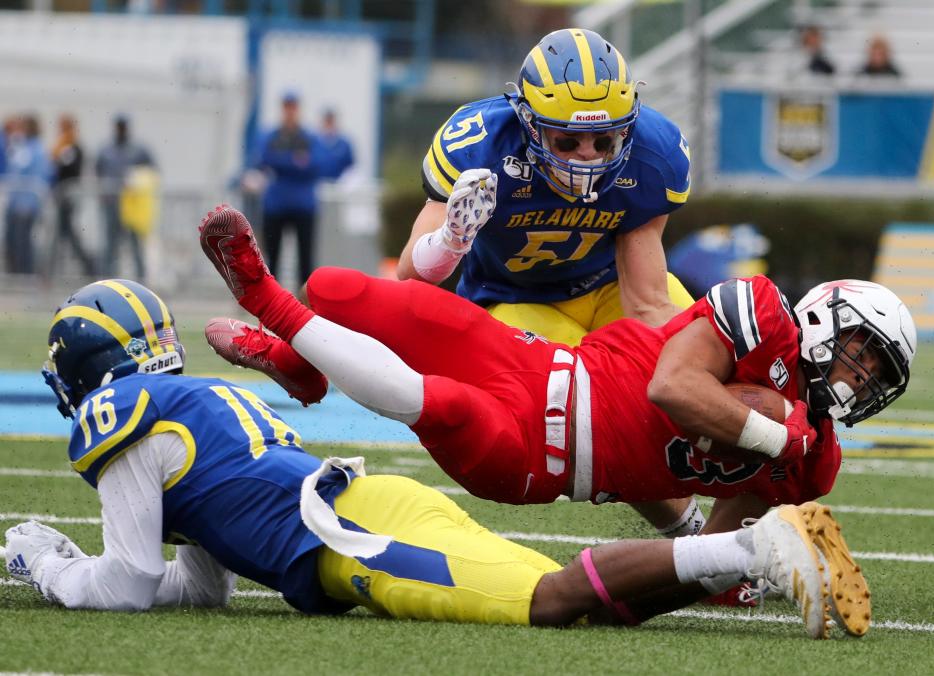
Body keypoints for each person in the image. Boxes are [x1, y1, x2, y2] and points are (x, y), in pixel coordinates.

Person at [3, 278, 869, 639]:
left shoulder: (129, 413)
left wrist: (48, 561)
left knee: (549, 600)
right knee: (597, 611)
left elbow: (119, 589)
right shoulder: (196, 412)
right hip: (361, 515)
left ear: (82, 375)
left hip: (356, 542)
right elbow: (201, 587)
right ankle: (743, 555)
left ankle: (756, 548)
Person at [200, 206, 916, 535]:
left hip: (540, 459)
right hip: (536, 363)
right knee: (336, 288)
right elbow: (672, 389)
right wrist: (773, 436)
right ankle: (303, 369)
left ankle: (267, 301)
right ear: (829, 316)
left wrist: (754, 564)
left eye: (876, 375)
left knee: (435, 404)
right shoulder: (759, 312)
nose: (859, 377)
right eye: (862, 351)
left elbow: (719, 544)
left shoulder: (810, 462)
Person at [397, 28, 695, 342]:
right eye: (567, 140)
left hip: (611, 288)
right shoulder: (481, 146)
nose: (587, 155)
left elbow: (647, 304)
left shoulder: (652, 154)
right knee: (568, 377)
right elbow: (409, 274)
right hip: (517, 299)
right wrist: (450, 241)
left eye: (604, 140)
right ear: (530, 123)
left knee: (703, 350)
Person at [253, 91, 328, 286]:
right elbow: (263, 159)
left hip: (303, 205)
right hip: (276, 205)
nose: (290, 111)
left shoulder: (309, 137)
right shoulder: (271, 136)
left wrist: (282, 161)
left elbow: (317, 164)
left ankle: (305, 306)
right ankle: (272, 305)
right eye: (287, 107)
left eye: (293, 107)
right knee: (272, 258)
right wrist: (295, 161)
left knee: (305, 260)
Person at [95, 113, 155, 279]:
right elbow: (98, 172)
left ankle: (141, 280)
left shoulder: (139, 151)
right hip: (112, 204)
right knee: (110, 244)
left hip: (132, 206)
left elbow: (150, 173)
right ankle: (107, 280)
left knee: (135, 244)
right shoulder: (106, 150)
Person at [49, 114, 96, 276]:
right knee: (63, 233)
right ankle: (84, 266)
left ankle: (88, 266)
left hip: (68, 196)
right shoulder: (62, 146)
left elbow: (69, 170)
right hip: (62, 196)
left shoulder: (73, 148)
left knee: (65, 233)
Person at [3, 114, 50, 275]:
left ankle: (25, 275)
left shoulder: (36, 149)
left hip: (27, 204)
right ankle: (16, 274)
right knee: (13, 241)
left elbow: (39, 175)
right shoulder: (21, 147)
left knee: (23, 242)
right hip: (15, 203)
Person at [317, 109, 354, 181]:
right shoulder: (315, 143)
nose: (329, 125)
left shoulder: (344, 144)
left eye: (331, 121)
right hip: (319, 184)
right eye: (327, 121)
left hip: (339, 186)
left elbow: (350, 168)